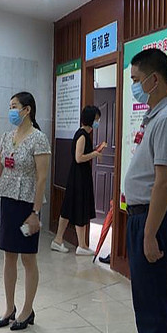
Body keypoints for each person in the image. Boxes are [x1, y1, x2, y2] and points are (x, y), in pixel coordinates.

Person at [124, 49, 167, 333]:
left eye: (135, 79)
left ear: (154, 80)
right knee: (146, 301)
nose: (134, 86)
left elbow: (164, 182)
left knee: (154, 309)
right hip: (144, 218)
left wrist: (149, 234)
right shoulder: (156, 116)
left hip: (155, 221)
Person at [0, 91, 50, 331]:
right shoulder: (7, 137)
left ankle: (27, 309)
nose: (11, 111)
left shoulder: (38, 138)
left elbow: (42, 179)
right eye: (10, 106)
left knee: (28, 258)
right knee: (8, 255)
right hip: (8, 202)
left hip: (28, 205)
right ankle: (9, 307)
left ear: (27, 110)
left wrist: (36, 212)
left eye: (14, 106)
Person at [51, 106, 103, 255]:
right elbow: (78, 158)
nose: (98, 122)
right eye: (96, 119)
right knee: (79, 207)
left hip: (78, 175)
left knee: (68, 209)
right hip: (79, 177)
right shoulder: (82, 135)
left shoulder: (84, 134)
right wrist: (94, 154)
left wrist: (94, 151)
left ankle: (61, 240)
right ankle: (81, 245)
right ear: (90, 119)